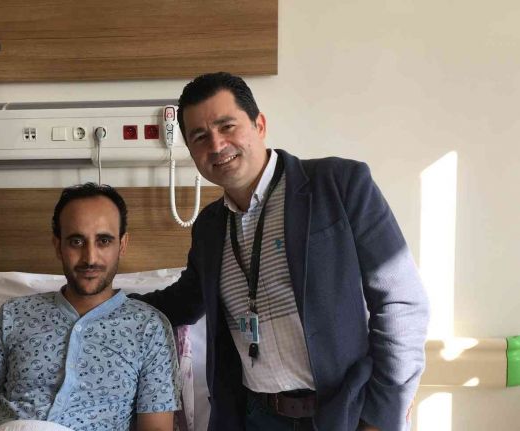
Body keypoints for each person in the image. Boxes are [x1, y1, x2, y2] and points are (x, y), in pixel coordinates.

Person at [134, 72, 429, 431]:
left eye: (227, 126)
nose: (216, 144)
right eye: (200, 137)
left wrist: (381, 417)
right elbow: (184, 302)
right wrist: (108, 305)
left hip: (345, 413)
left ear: (259, 124)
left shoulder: (338, 185)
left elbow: (402, 303)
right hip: (257, 416)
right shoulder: (210, 226)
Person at [0, 183, 181, 431]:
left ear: (122, 245)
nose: (90, 258)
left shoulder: (149, 327)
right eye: (76, 241)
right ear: (58, 245)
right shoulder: (14, 315)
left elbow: (157, 428)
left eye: (104, 241)